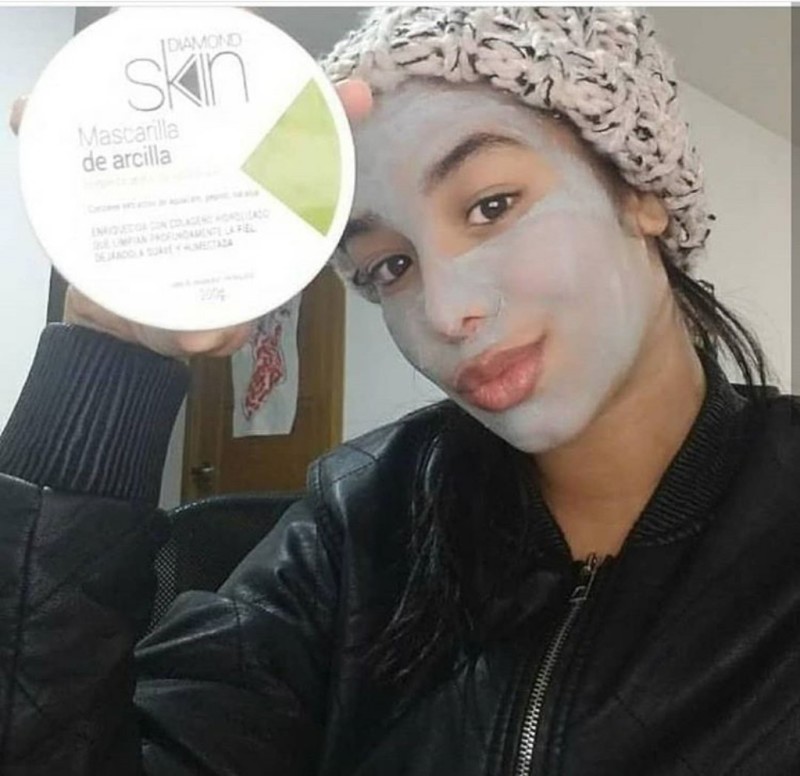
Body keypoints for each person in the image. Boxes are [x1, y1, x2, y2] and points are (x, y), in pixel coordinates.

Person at [1, 6, 798, 775]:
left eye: (491, 206)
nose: (446, 314)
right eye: (390, 266)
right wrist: (103, 361)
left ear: (638, 190)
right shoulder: (359, 526)